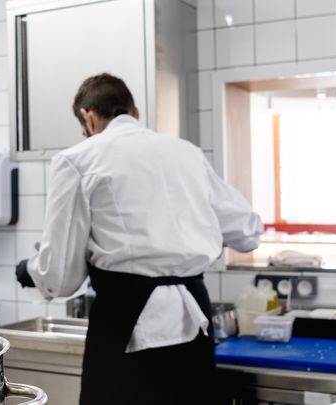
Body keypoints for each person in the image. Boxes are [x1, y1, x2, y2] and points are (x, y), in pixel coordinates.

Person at [15, 73, 262, 404]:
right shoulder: (186, 152)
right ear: (135, 112)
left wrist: (30, 269)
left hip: (126, 324)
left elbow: (60, 278)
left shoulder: (76, 160)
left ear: (87, 117)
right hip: (194, 322)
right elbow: (247, 232)